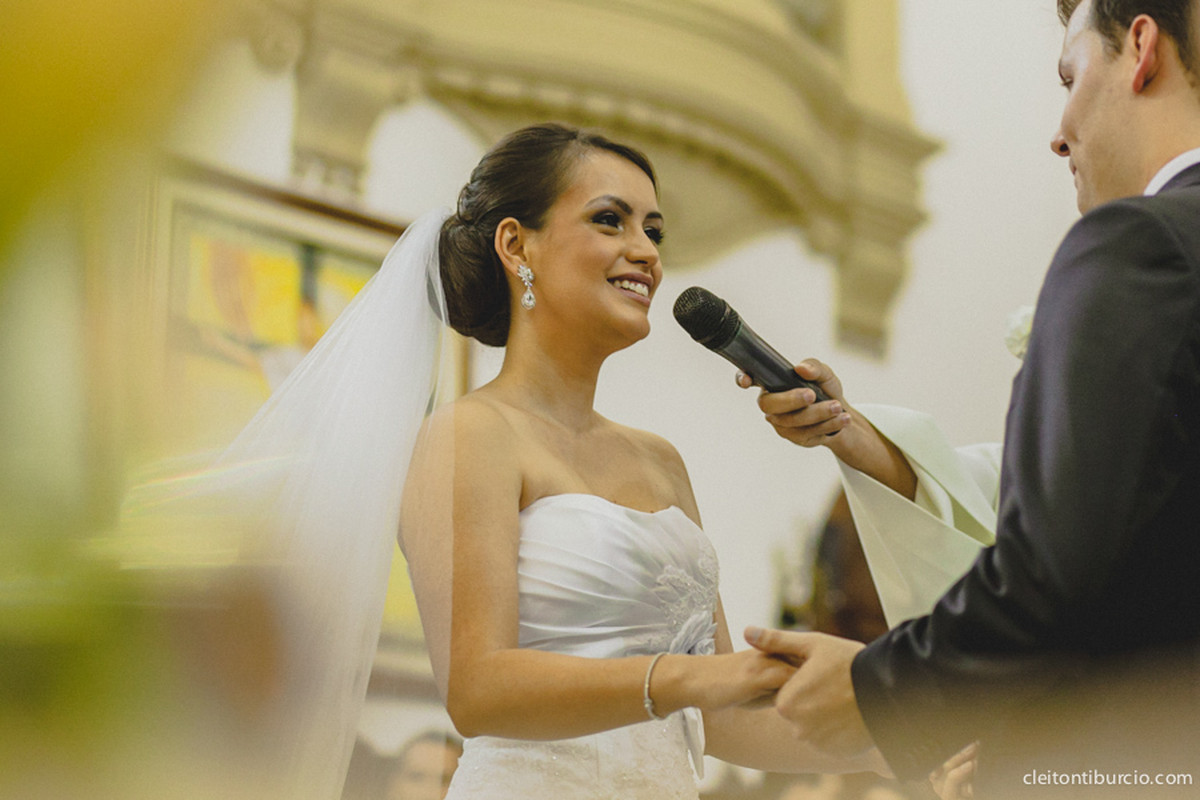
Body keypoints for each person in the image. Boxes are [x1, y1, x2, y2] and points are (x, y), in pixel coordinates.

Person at [737, 0, 1200, 795]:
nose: (1059, 130)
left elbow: (1063, 567)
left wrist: (877, 692)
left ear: (1141, 50)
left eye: (1070, 75)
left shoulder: (1140, 244)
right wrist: (854, 436)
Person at [396, 123, 887, 798]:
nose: (644, 253)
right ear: (516, 245)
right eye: (610, 220)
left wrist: (895, 742)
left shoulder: (661, 462)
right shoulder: (468, 435)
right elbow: (476, 691)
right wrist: (693, 676)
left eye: (653, 232)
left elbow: (720, 720)